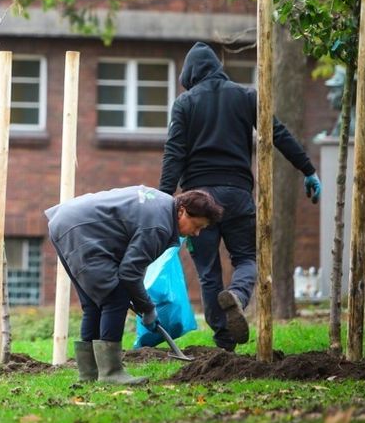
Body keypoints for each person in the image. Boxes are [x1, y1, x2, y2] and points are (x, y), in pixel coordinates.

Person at [158, 41, 322, 351]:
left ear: (190, 75)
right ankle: (239, 295)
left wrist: (163, 199)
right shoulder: (246, 96)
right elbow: (278, 133)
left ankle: (224, 343)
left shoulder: (185, 103)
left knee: (208, 271)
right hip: (237, 196)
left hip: (197, 202)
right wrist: (308, 169)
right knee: (247, 258)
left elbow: (174, 153)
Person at [46, 186, 223, 385]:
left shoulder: (163, 206)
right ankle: (111, 373)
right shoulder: (159, 226)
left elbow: (130, 265)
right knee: (115, 297)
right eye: (197, 225)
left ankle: (89, 374)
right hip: (82, 229)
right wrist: (147, 308)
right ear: (181, 211)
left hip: (65, 220)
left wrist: (142, 303)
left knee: (95, 303)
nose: (197, 233)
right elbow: (129, 273)